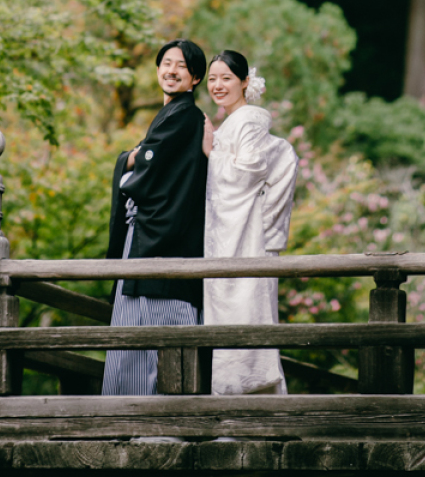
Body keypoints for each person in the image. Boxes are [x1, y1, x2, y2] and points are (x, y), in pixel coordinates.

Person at [102, 38, 208, 395]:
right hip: (151, 233)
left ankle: (139, 415)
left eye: (181, 66)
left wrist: (129, 157)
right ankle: (126, 414)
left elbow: (148, 165)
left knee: (150, 329)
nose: (172, 70)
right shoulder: (174, 115)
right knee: (136, 328)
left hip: (160, 235)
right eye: (166, 63)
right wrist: (135, 155)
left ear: (195, 78)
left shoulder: (186, 116)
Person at [202, 49, 299, 396]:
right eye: (212, 78)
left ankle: (247, 396)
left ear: (245, 82)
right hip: (227, 233)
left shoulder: (250, 120)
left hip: (245, 236)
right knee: (230, 310)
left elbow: (246, 174)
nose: (217, 85)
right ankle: (232, 398)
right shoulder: (232, 121)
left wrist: (212, 153)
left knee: (243, 308)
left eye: (226, 78)